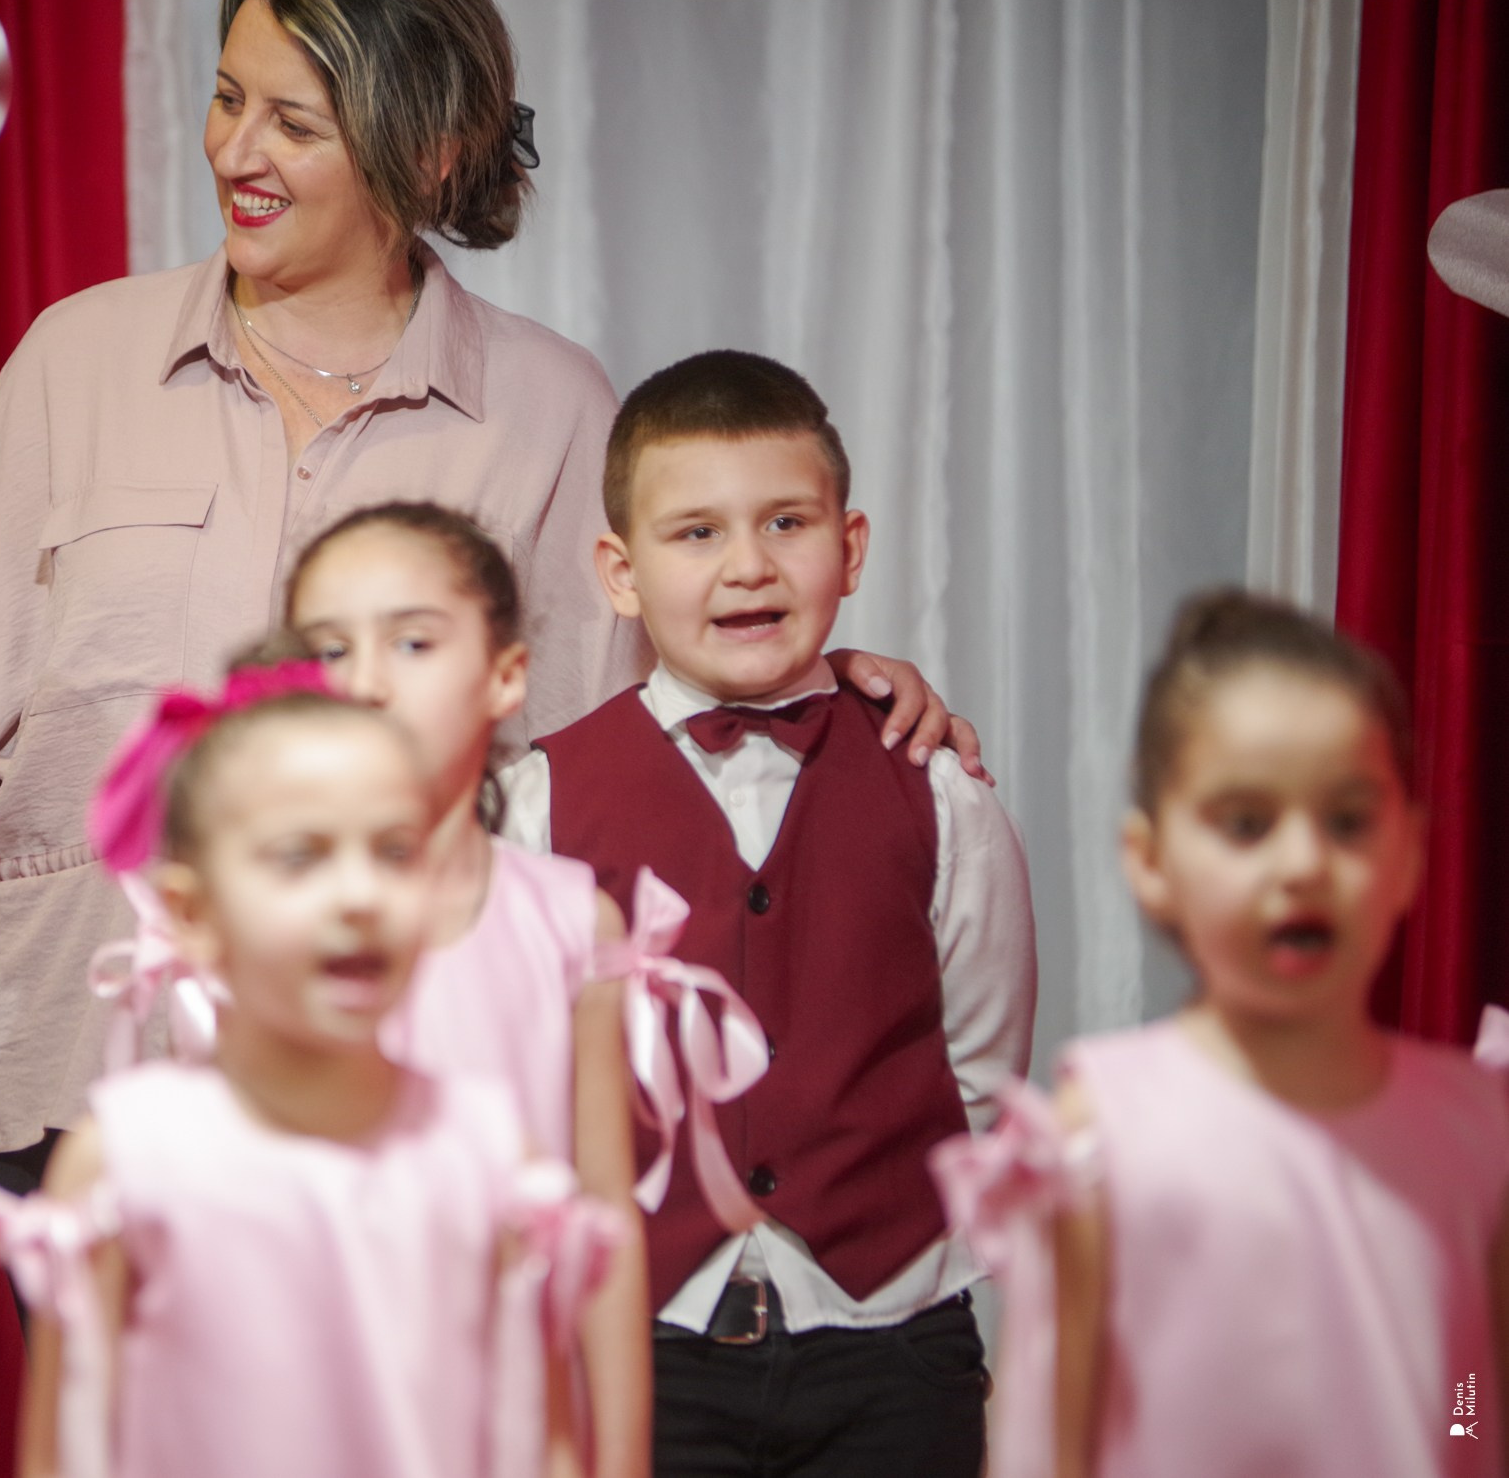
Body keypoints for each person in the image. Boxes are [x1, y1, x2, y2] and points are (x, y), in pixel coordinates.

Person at [0, 0, 975, 1186]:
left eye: (295, 124)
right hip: (89, 1093)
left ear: (426, 157)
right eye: (225, 99)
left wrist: (828, 688)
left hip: (420, 1118)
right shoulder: (75, 360)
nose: (235, 152)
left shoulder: (547, 409)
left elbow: (642, 748)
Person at [504, 352, 1036, 1477]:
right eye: (694, 534)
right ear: (619, 571)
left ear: (848, 549)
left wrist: (921, 1262)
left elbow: (980, 1068)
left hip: (894, 1348)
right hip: (638, 1347)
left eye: (785, 523)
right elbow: (515, 1084)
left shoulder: (938, 791)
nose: (746, 566)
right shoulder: (537, 803)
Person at [0, 665, 623, 1478]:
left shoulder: (494, 1154)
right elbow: (70, 1452)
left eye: (395, 851)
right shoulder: (125, 1164)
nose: (359, 896)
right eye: (301, 856)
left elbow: (541, 1444)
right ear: (191, 914)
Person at [933, 590, 1509, 1478]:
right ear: (1152, 862)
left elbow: (1475, 1399)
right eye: (1247, 823)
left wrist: (1466, 1444)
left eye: (1348, 821)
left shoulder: (1477, 1128)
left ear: (1409, 856)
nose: (1303, 864)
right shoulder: (1105, 1126)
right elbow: (1053, 1442)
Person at [277, 502, 649, 1478]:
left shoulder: (571, 923)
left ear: (504, 676)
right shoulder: (255, 937)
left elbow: (603, 1218)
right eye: (328, 649)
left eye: (410, 641)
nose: (364, 681)